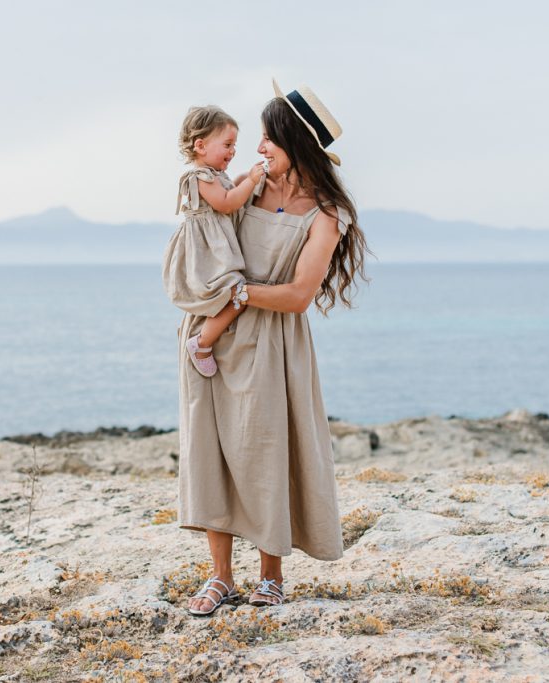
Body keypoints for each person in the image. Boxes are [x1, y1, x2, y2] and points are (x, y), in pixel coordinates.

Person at [179, 79, 370, 616]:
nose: (259, 147)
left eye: (268, 137)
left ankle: (271, 575)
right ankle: (220, 577)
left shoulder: (326, 213)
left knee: (266, 452)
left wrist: (238, 294)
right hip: (210, 334)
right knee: (211, 452)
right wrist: (213, 306)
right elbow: (204, 238)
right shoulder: (247, 187)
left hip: (272, 341)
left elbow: (298, 295)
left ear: (295, 142)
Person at [162, 105, 266, 377]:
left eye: (234, 146)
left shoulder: (216, 176)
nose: (233, 151)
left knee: (236, 294)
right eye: (228, 145)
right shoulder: (199, 177)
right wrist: (251, 180)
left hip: (217, 250)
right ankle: (202, 343)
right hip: (206, 253)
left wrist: (246, 180)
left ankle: (206, 337)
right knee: (238, 294)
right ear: (201, 146)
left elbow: (232, 194)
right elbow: (227, 203)